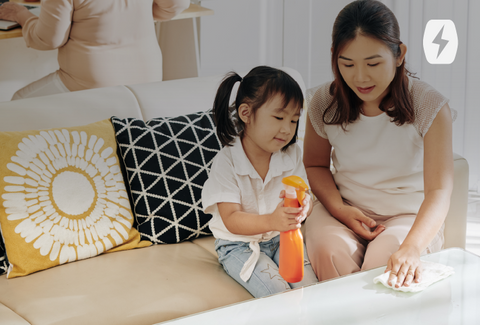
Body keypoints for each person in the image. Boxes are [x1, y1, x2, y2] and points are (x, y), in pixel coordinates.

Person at [304, 0, 453, 289]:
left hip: (407, 216)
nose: (360, 77)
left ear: (399, 55)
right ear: (334, 57)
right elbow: (315, 164)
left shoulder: (430, 106)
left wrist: (411, 247)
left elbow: (439, 192)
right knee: (328, 250)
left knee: (383, 265)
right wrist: (340, 210)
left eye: (373, 63)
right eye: (347, 64)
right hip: (343, 207)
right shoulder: (324, 102)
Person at [202, 66, 318, 298]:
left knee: (311, 289)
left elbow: (305, 194)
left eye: (294, 120)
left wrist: (304, 207)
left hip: (280, 238)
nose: (287, 129)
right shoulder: (228, 161)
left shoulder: (291, 154)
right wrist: (272, 220)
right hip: (239, 245)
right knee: (278, 293)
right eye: (278, 117)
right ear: (246, 113)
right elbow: (232, 219)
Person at [0, 0, 190, 100]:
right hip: (149, 75)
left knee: (21, 102)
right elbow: (178, 4)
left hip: (89, 84)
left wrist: (20, 14)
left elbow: (48, 39)